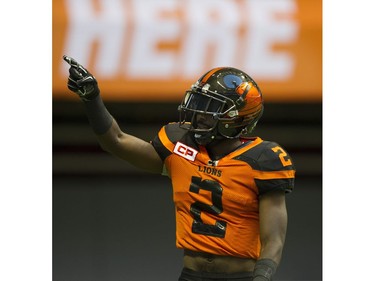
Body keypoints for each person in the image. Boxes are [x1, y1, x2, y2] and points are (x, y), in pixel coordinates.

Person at [63, 55, 296, 281]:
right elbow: (116, 141)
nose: (198, 114)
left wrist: (262, 278)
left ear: (235, 118)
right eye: (198, 103)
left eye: (210, 107)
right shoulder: (180, 145)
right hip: (191, 275)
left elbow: (273, 240)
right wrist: (92, 99)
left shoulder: (264, 159)